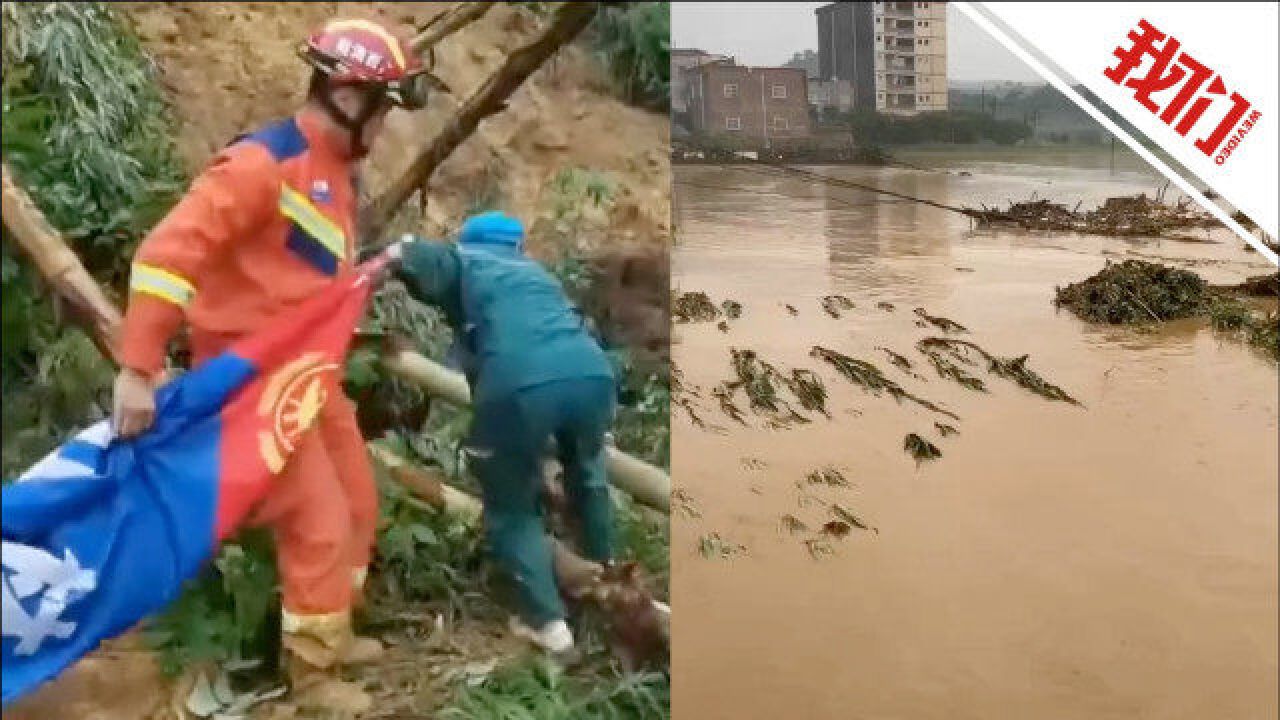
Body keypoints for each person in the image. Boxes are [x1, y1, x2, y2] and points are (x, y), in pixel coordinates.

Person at [110, 18, 437, 702]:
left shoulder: (333, 174)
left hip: (309, 375)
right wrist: (137, 368)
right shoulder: (262, 165)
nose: (385, 131)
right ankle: (311, 679)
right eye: (384, 111)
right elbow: (169, 257)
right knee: (315, 516)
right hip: (251, 383)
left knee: (355, 499)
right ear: (350, 99)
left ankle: (330, 630)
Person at [390, 211, 618, 654]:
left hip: (520, 383)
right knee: (589, 477)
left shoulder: (469, 260)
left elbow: (415, 255)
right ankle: (605, 581)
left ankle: (547, 624)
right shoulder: (536, 277)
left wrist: (383, 257)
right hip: (593, 374)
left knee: (510, 505)